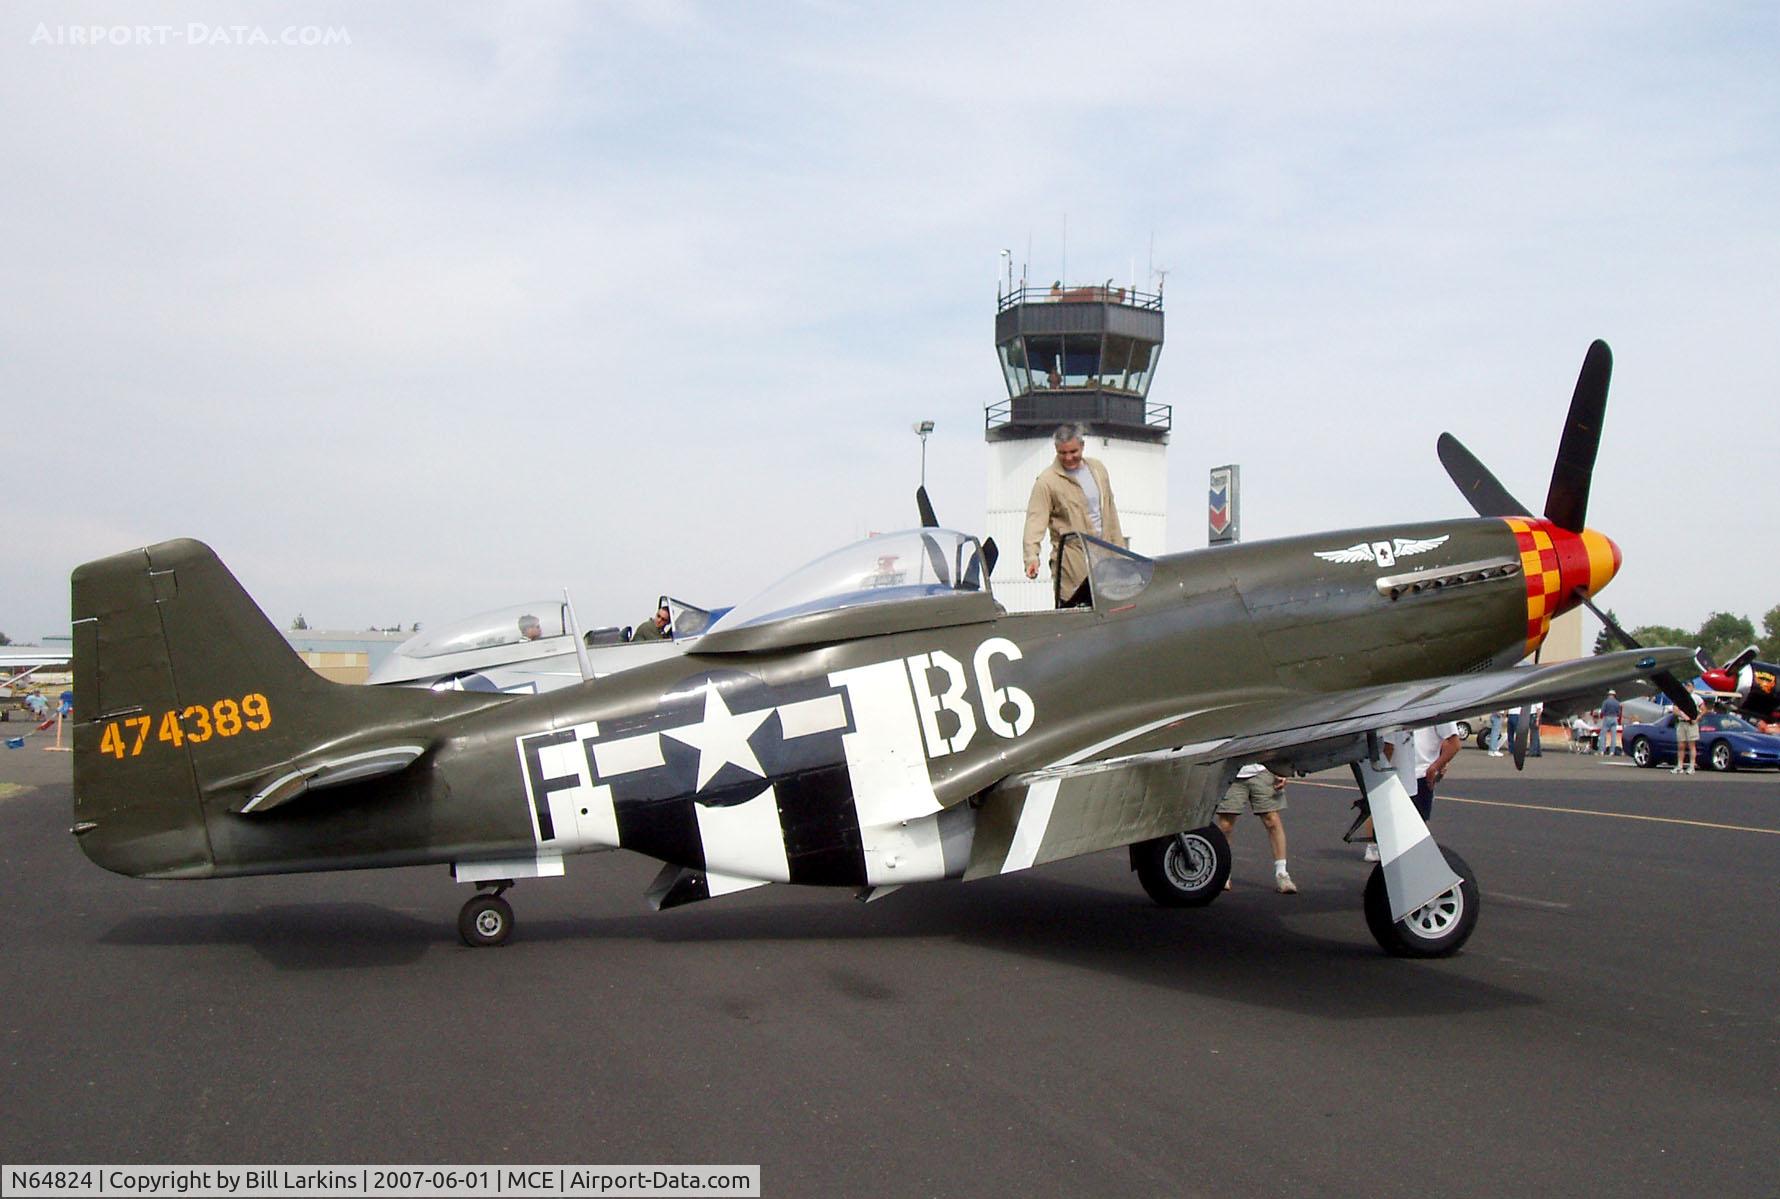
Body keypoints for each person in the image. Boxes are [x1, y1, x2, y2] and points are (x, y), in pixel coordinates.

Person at [1022, 423, 1125, 608]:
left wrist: (1121, 554)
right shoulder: (1047, 481)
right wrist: (1032, 558)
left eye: (1073, 451)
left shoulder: (1098, 470)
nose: (1069, 457)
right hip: (1073, 566)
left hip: (1107, 562)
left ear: (1082, 446)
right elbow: (1034, 521)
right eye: (1063, 453)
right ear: (1056, 449)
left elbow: (1111, 513)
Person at [1362, 721, 1462, 861]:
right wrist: (1437, 765)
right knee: (1410, 822)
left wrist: (1438, 765)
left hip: (1416, 774)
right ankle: (1385, 850)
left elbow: (1452, 744)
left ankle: (1382, 849)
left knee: (1388, 813)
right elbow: (1452, 744)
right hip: (1412, 773)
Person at [1215, 764, 1295, 894]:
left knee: (1272, 820)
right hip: (1231, 772)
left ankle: (1282, 874)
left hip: (1262, 770)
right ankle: (1223, 873)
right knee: (1225, 824)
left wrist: (1281, 770)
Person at [1671, 695, 1701, 774]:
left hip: (1691, 724)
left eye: (1689, 686)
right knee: (1681, 745)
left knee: (1692, 745)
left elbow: (1703, 709)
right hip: (1681, 722)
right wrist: (1683, 715)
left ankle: (1691, 767)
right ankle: (1679, 766)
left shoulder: (1696, 698)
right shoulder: (1679, 697)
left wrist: (1696, 718)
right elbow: (1675, 710)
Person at [1598, 689, 1623, 756]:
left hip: (1607, 718)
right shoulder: (1617, 702)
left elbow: (1602, 711)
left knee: (1603, 735)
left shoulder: (1605, 702)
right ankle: (1612, 751)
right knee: (1614, 736)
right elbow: (1619, 713)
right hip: (1615, 718)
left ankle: (1602, 751)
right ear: (1614, 696)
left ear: (1609, 695)